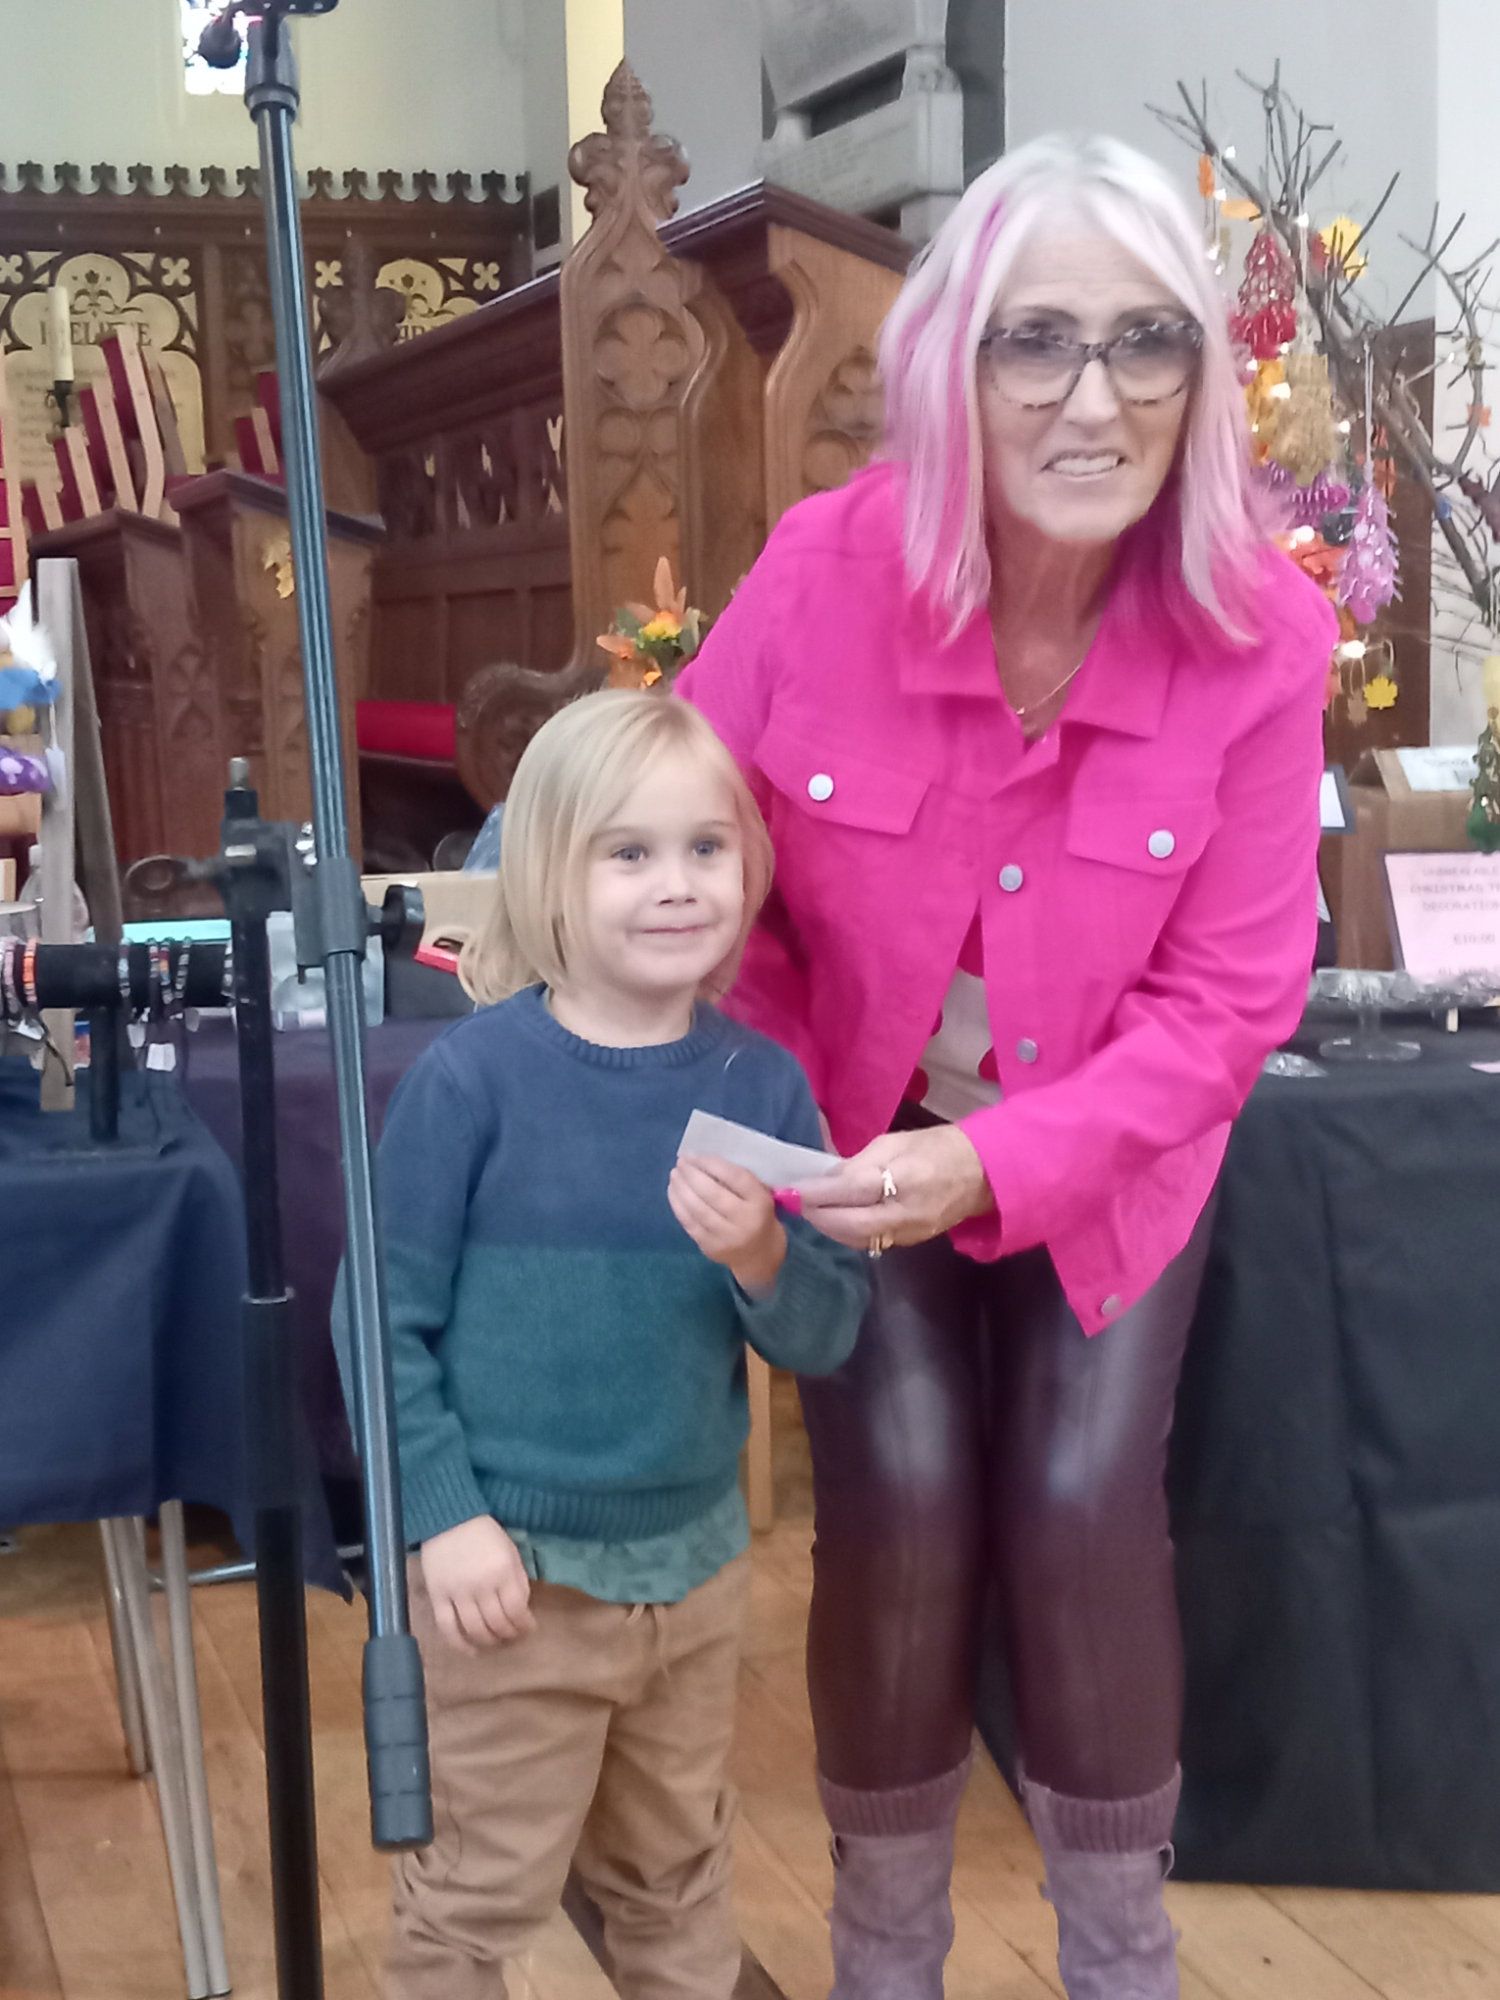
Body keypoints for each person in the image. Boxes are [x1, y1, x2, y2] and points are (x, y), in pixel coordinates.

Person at [677, 132, 1336, 2000]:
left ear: (1201, 376)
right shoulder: (822, 574)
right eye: (1036, 341)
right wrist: (807, 1129)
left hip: (1109, 1149)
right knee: (893, 1484)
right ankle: (887, 1961)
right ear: (950, 367)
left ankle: (1119, 1963)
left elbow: (1228, 1005)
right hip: (845, 1134)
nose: (1093, 397)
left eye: (1147, 343)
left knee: (1072, 1499)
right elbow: (697, 865)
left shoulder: (1263, 632)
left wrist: (1000, 1164)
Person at [338, 690, 868, 2000]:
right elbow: (377, 1322)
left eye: (705, 848)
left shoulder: (761, 1086)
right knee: (476, 1894)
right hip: (506, 1591)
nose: (675, 885)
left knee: (677, 1884)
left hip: (689, 1585)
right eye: (627, 854)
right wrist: (445, 1517)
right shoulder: (473, 1083)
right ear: (549, 873)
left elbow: (827, 1329)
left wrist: (758, 1257)